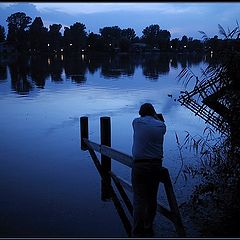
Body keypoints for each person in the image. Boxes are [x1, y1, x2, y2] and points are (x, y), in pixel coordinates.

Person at [131, 103, 166, 237]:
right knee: (152, 198)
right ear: (153, 112)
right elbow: (160, 125)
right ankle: (148, 226)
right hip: (156, 166)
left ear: (141, 113)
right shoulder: (162, 125)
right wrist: (156, 116)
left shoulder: (136, 122)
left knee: (139, 199)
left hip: (139, 165)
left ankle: (137, 231)